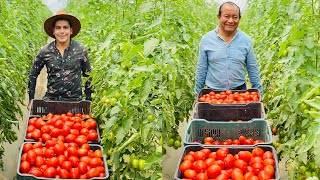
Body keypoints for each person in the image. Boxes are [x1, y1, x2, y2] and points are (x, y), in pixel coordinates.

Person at [27, 10, 93, 109]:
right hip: (51, 102)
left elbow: (88, 76)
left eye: (65, 27)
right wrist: (31, 98)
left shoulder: (80, 50)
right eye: (58, 28)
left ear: (71, 30)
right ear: (53, 31)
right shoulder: (45, 51)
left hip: (75, 103)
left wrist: (88, 100)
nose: (62, 31)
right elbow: (33, 74)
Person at [194, 1, 262, 96]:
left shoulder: (246, 40)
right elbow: (202, 69)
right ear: (219, 17)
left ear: (239, 18)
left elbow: (252, 68)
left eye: (235, 17)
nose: (230, 21)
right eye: (226, 16)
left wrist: (258, 93)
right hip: (213, 94)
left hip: (239, 94)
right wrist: (197, 95)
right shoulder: (207, 40)